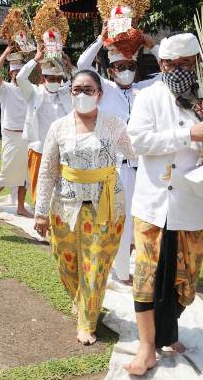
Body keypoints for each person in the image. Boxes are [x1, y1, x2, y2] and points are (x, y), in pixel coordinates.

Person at [125, 33, 203, 375]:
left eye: (183, 65)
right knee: (147, 276)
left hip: (194, 203)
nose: (175, 71)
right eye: (168, 65)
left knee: (184, 281)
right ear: (160, 64)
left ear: (198, 63)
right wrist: (188, 135)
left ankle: (168, 330)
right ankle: (147, 347)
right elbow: (137, 141)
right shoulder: (148, 96)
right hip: (153, 201)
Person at [34, 70, 132, 345]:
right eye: (76, 89)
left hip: (106, 206)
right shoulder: (59, 127)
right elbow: (47, 171)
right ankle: (82, 301)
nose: (82, 95)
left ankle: (87, 324)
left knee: (96, 267)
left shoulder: (114, 125)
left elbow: (138, 151)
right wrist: (40, 212)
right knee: (68, 266)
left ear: (100, 94)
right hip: (65, 207)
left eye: (89, 89)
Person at [77, 32, 158, 285]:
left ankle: (127, 265)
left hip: (142, 168)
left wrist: (150, 45)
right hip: (114, 167)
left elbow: (168, 75)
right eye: (120, 67)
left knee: (140, 220)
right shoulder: (106, 90)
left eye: (130, 67)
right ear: (111, 70)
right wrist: (102, 39)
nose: (126, 71)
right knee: (117, 221)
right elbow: (82, 65)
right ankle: (121, 272)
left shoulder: (143, 90)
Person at [18, 44, 73, 205]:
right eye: (51, 78)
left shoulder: (66, 93)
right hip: (39, 148)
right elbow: (21, 78)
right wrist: (36, 59)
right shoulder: (34, 93)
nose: (56, 82)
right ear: (43, 78)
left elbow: (81, 81)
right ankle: (40, 218)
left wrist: (70, 67)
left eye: (58, 79)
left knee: (62, 189)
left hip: (63, 150)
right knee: (39, 188)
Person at [0, 45, 32, 217]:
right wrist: (7, 52)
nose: (17, 75)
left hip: (28, 134)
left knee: (26, 173)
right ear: (10, 74)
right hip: (11, 134)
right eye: (15, 72)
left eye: (20, 72)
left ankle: (21, 206)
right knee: (7, 169)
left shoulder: (30, 89)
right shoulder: (5, 89)